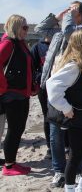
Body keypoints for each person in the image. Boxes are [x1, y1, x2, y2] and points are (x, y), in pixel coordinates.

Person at [37, 1, 82, 187]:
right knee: (55, 132)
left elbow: (71, 33)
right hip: (55, 85)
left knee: (78, 132)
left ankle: (78, 171)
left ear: (80, 14)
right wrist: (56, 17)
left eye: (73, 8)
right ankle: (59, 171)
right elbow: (39, 29)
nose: (69, 10)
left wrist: (69, 18)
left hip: (75, 87)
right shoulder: (60, 31)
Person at [46, 30, 82, 192]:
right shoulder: (74, 66)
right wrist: (66, 108)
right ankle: (70, 189)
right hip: (78, 120)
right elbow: (52, 86)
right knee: (75, 157)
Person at [0, 14, 35, 176]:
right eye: (24, 27)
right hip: (12, 94)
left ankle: (12, 162)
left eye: (27, 27)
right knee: (14, 130)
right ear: (15, 27)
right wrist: (3, 85)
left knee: (18, 129)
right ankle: (8, 166)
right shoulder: (8, 43)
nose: (27, 31)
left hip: (22, 93)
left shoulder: (20, 44)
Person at [31, 17, 60, 159]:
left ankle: (64, 145)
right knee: (48, 117)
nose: (52, 31)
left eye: (55, 28)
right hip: (44, 88)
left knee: (61, 116)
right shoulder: (37, 47)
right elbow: (32, 68)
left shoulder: (61, 45)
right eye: (50, 28)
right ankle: (50, 147)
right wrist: (39, 78)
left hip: (60, 88)